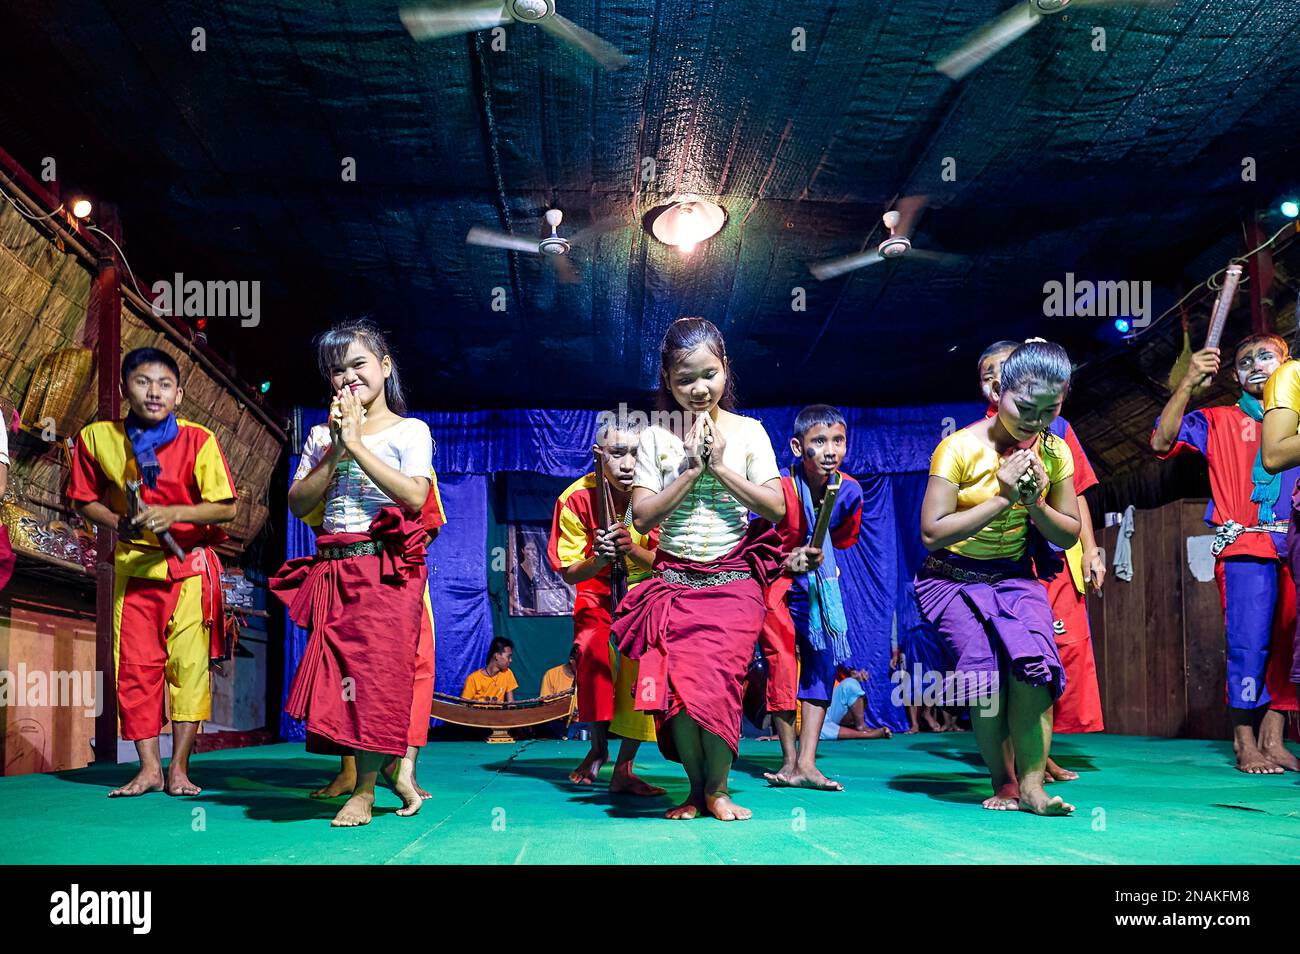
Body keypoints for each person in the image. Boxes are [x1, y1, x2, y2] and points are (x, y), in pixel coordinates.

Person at [611, 317, 786, 821]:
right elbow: (642, 516)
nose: (698, 387)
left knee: (720, 684)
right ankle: (693, 789)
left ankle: (719, 788)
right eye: (685, 378)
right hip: (672, 587)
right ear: (667, 379)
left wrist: (722, 467)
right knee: (678, 696)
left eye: (709, 373)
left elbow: (775, 509)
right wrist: (690, 471)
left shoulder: (750, 432)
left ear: (726, 369)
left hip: (733, 586)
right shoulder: (654, 439)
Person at [274, 318, 432, 827]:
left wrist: (359, 444)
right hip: (332, 568)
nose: (348, 378)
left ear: (384, 367)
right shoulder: (321, 434)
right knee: (339, 678)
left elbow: (415, 496)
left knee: (376, 679)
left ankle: (364, 791)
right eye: (337, 371)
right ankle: (366, 772)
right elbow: (299, 503)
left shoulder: (412, 431)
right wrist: (338, 446)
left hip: (385, 569)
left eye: (358, 364)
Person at [915, 340, 1079, 816]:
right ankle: (1003, 782)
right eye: (1025, 407)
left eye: (1050, 410)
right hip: (952, 579)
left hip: (1013, 577)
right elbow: (931, 533)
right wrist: (1004, 498)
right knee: (984, 680)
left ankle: (1033, 788)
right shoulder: (958, 448)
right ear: (999, 391)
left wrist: (1034, 503)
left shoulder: (1055, 453)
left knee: (1034, 671)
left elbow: (1068, 534)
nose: (1035, 420)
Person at [68, 347, 237, 798]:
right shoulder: (97, 438)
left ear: (179, 394)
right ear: (126, 387)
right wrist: (117, 522)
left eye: (164, 384)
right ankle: (148, 769)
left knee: (188, 669)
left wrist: (174, 512)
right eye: (143, 382)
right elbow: (84, 498)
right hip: (135, 568)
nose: (154, 392)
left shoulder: (199, 439)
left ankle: (179, 769)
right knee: (136, 670)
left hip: (189, 569)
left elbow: (226, 508)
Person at [1153, 334, 1299, 773]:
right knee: (1248, 644)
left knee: (1292, 644)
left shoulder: (1295, 422)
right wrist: (1188, 385)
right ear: (1233, 375)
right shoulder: (1216, 419)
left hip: (1294, 541)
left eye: (1265, 356)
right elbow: (1161, 442)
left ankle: (1274, 739)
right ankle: (1244, 740)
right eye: (1244, 361)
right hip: (1245, 542)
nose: (1255, 365)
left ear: (1287, 365)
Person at [979, 340, 1105, 782]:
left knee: (1049, 655)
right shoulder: (975, 441)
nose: (995, 379)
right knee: (1006, 660)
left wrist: (1089, 549)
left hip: (1051, 557)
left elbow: (1078, 497)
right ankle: (1013, 767)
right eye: (987, 374)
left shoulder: (1057, 433)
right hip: (1002, 568)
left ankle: (1040, 756)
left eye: (1003, 369)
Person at [760, 404, 885, 793]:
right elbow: (756, 547)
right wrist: (789, 560)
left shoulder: (848, 490)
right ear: (798, 447)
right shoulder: (777, 488)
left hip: (820, 586)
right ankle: (788, 761)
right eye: (819, 441)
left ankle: (808, 763)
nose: (830, 450)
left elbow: (845, 537)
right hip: (777, 586)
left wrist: (817, 559)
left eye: (838, 440)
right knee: (781, 665)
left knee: (822, 666)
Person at [305, 473, 446, 802]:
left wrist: (392, 558)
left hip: (398, 577)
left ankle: (405, 766)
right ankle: (350, 770)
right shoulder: (332, 454)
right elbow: (316, 517)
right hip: (345, 574)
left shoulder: (407, 448)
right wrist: (350, 555)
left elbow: (429, 526)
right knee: (346, 670)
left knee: (414, 669)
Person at [547, 416, 664, 796]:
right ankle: (597, 749)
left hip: (645, 592)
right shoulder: (575, 498)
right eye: (618, 454)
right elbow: (569, 573)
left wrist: (632, 550)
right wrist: (599, 558)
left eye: (637, 453)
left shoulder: (657, 492)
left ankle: (625, 768)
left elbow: (669, 563)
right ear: (598, 455)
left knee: (648, 667)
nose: (629, 464)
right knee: (591, 652)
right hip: (596, 591)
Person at [818, 669, 891, 740]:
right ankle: (866, 735)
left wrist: (854, 677)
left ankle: (861, 727)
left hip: (826, 707)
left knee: (850, 683)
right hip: (811, 716)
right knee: (815, 727)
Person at [538, 645, 579, 738]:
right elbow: (545, 707)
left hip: (582, 723)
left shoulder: (590, 677)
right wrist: (564, 712)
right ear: (571, 660)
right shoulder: (551, 675)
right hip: (559, 723)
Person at [462, 637, 518, 702]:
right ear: (497, 656)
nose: (510, 660)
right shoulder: (473, 679)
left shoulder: (507, 673)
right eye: (508, 656)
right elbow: (464, 706)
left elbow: (511, 704)